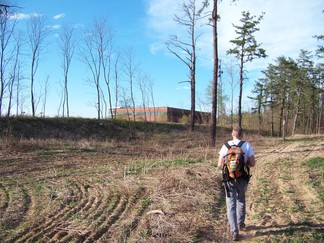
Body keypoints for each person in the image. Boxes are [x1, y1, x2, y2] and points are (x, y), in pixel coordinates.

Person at [218, 126, 256, 241]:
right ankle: (241, 223)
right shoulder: (246, 145)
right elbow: (253, 163)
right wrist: (244, 163)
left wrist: (229, 165)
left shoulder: (225, 146)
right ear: (242, 135)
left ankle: (234, 231)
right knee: (241, 199)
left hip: (229, 179)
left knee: (231, 205)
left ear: (232, 134)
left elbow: (220, 164)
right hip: (242, 178)